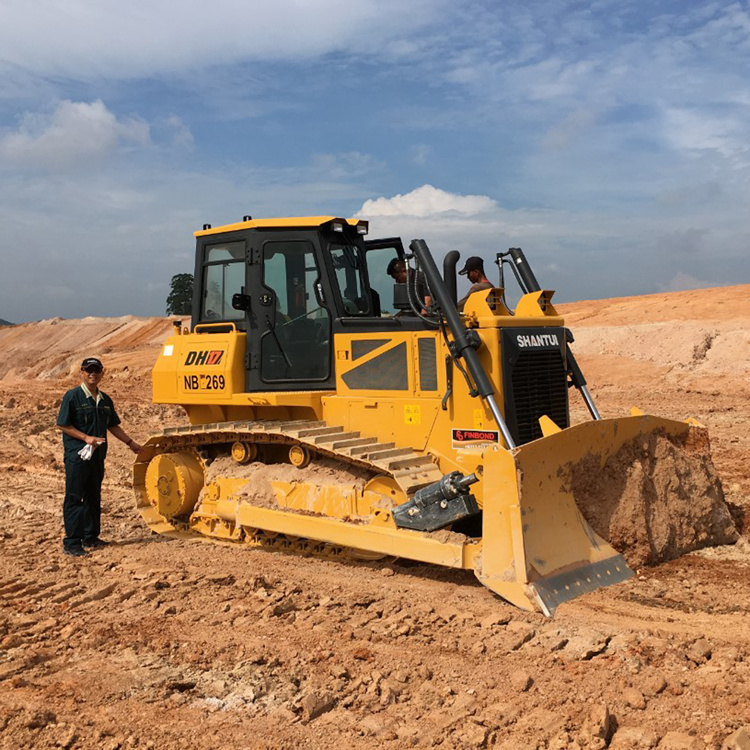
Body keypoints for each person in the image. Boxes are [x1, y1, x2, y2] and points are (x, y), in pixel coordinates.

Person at [56, 357, 142, 557]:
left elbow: (112, 425)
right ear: (82, 373)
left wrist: (131, 444)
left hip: (97, 457)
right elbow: (63, 424)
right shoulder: (72, 396)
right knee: (74, 497)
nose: (92, 374)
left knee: (93, 496)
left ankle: (91, 537)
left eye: (96, 370)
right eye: (89, 370)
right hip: (77, 456)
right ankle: (72, 542)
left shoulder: (105, 400)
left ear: (102, 373)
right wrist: (85, 438)